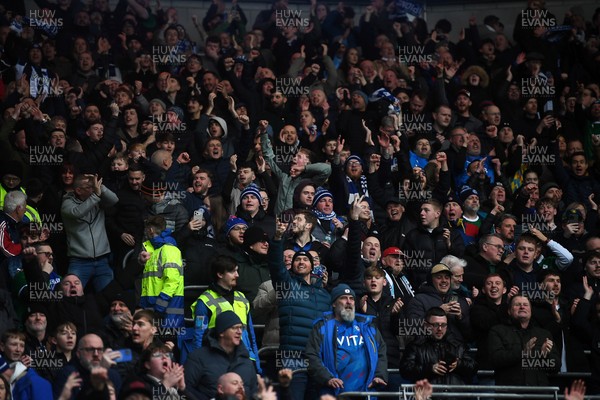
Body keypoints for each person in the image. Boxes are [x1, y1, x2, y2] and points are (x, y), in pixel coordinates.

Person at [305, 284, 388, 397]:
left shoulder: (367, 326)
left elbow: (381, 352)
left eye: (351, 298)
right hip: (334, 394)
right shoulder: (322, 327)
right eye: (343, 298)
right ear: (334, 304)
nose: (349, 302)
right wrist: (327, 378)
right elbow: (312, 356)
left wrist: (380, 375)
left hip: (366, 393)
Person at [189, 255, 260, 369]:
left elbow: (251, 335)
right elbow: (198, 335)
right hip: (218, 360)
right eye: (232, 271)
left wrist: (256, 363)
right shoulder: (205, 301)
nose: (237, 275)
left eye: (237, 271)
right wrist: (198, 365)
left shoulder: (242, 298)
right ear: (220, 274)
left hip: (245, 359)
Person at [61, 174, 118, 291]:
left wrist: (100, 186)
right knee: (72, 297)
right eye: (90, 187)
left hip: (102, 260)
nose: (93, 189)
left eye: (94, 187)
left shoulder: (97, 199)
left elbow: (114, 200)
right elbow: (77, 212)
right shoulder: (67, 203)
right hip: (79, 261)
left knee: (107, 297)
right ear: (78, 190)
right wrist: (96, 195)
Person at [488, 295, 560, 385]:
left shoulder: (544, 334)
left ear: (531, 310)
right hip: (509, 392)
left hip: (539, 392)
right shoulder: (498, 331)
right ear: (509, 311)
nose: (522, 307)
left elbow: (556, 367)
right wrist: (523, 352)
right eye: (517, 304)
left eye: (525, 305)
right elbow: (496, 359)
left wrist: (544, 356)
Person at [184, 311, 258, 400]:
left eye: (241, 328)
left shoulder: (246, 361)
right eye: (234, 328)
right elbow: (185, 389)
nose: (239, 332)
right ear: (221, 332)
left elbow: (254, 394)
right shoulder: (198, 357)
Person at [400, 307, 476, 384]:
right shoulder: (416, 346)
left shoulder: (457, 345)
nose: (440, 328)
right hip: (427, 395)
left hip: (455, 394)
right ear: (426, 325)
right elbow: (405, 371)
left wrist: (459, 364)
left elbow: (473, 368)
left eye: (443, 325)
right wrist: (429, 369)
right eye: (436, 325)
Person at [138, 215, 184, 328]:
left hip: (167, 311)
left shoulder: (169, 249)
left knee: (166, 342)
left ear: (150, 230)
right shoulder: (154, 251)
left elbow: (172, 281)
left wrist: (159, 307)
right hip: (155, 309)